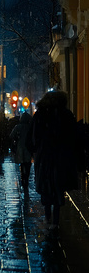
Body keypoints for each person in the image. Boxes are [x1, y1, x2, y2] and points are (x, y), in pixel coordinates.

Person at [27, 91, 81, 229]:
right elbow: (74, 137)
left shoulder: (40, 115)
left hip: (44, 157)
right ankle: (55, 221)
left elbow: (32, 137)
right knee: (58, 187)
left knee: (46, 187)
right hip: (60, 157)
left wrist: (35, 150)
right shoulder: (66, 115)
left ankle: (47, 217)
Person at [10, 112, 33, 191]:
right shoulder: (30, 127)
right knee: (27, 163)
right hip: (28, 148)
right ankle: (26, 178)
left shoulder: (18, 127)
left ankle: (23, 178)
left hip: (20, 147)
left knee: (22, 163)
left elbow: (12, 136)